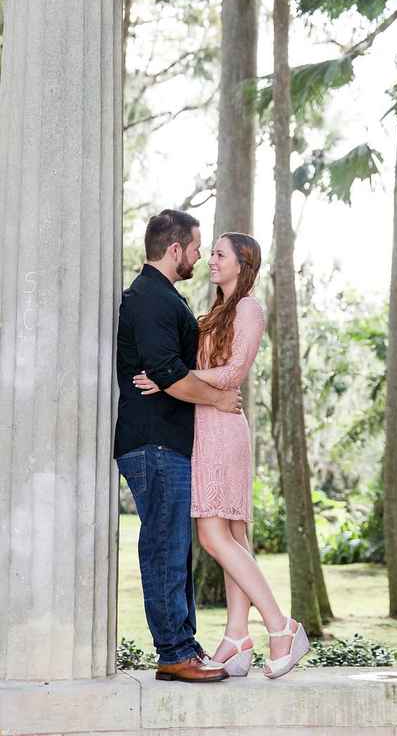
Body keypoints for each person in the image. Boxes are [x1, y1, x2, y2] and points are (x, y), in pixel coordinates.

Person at [134, 232, 309, 679]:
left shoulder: (249, 308)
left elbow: (234, 372)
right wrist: (177, 378)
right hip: (204, 425)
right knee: (233, 536)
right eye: (208, 252)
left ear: (242, 263)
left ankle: (282, 626)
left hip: (223, 429)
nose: (209, 259)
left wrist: (174, 375)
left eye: (218, 254)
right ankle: (236, 637)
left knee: (213, 536)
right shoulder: (214, 312)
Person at [114, 209, 243, 684]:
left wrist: (178, 380)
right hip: (152, 443)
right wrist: (218, 398)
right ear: (174, 250)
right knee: (165, 545)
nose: (198, 256)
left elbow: (168, 372)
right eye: (195, 247)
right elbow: (167, 372)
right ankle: (173, 651)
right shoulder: (150, 298)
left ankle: (182, 645)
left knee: (173, 545)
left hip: (165, 443)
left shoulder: (163, 297)